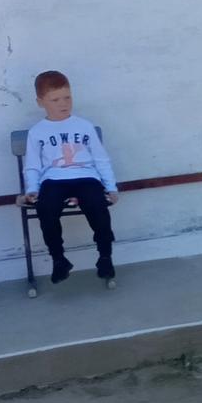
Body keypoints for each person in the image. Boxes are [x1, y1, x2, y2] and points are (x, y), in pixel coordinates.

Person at [20, 70, 119, 285]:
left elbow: (101, 159)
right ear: (40, 102)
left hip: (86, 177)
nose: (63, 104)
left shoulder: (84, 126)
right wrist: (32, 189)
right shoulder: (37, 132)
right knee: (45, 207)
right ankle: (59, 260)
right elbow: (33, 166)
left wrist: (111, 187)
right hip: (54, 179)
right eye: (55, 100)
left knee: (97, 204)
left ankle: (105, 257)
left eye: (67, 97)